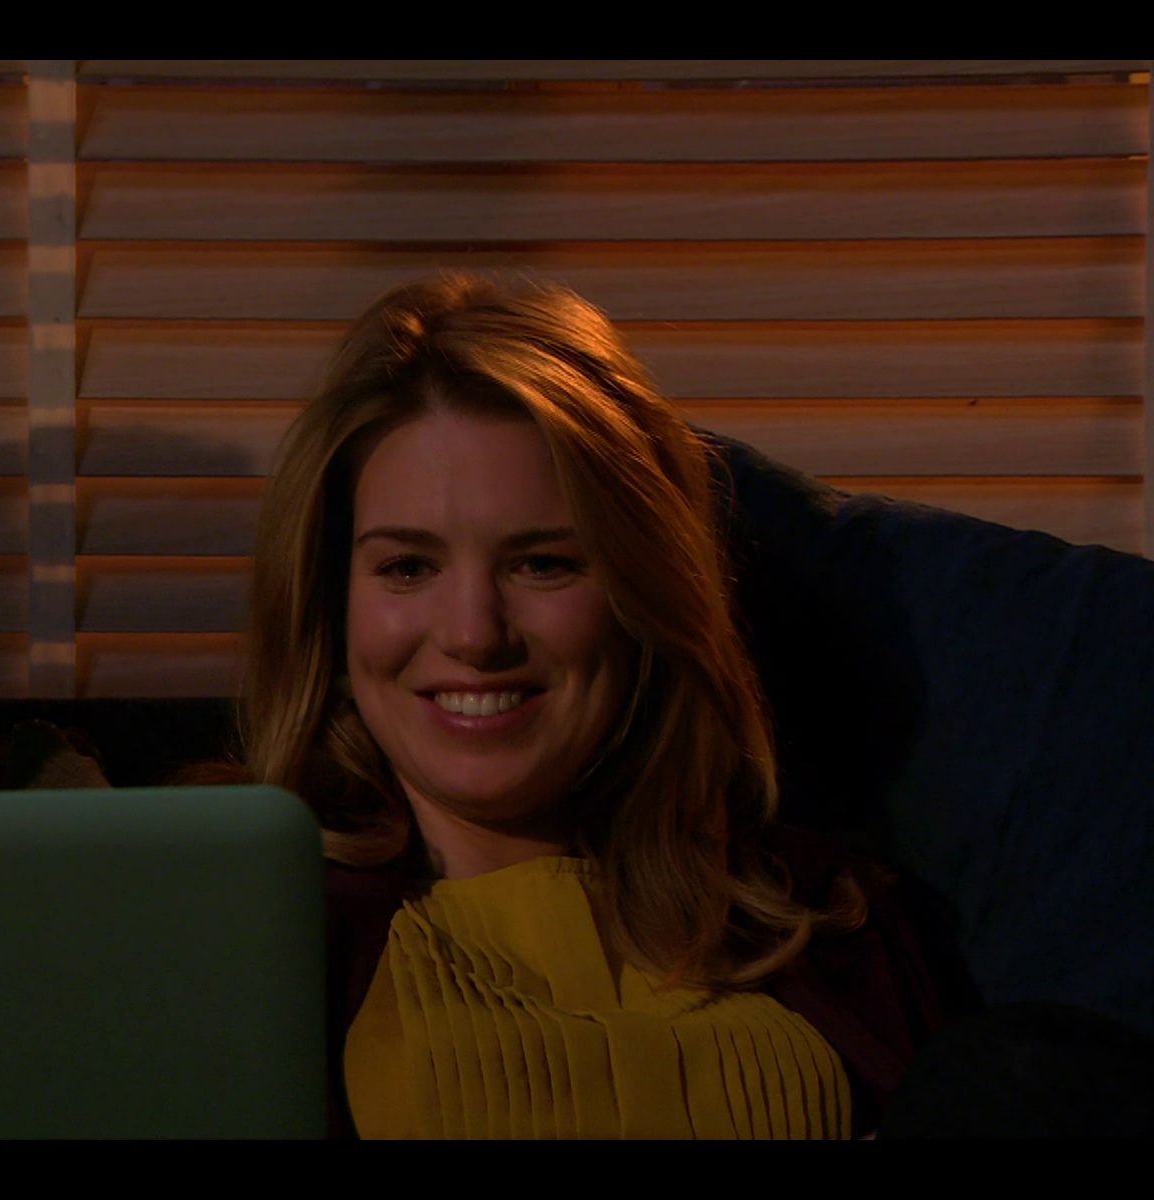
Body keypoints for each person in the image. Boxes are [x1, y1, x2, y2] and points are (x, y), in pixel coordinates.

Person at [233, 275, 954, 1139]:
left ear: (644, 599)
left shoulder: (829, 914)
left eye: (543, 564)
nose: (474, 635)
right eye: (407, 568)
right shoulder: (245, 936)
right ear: (329, 609)